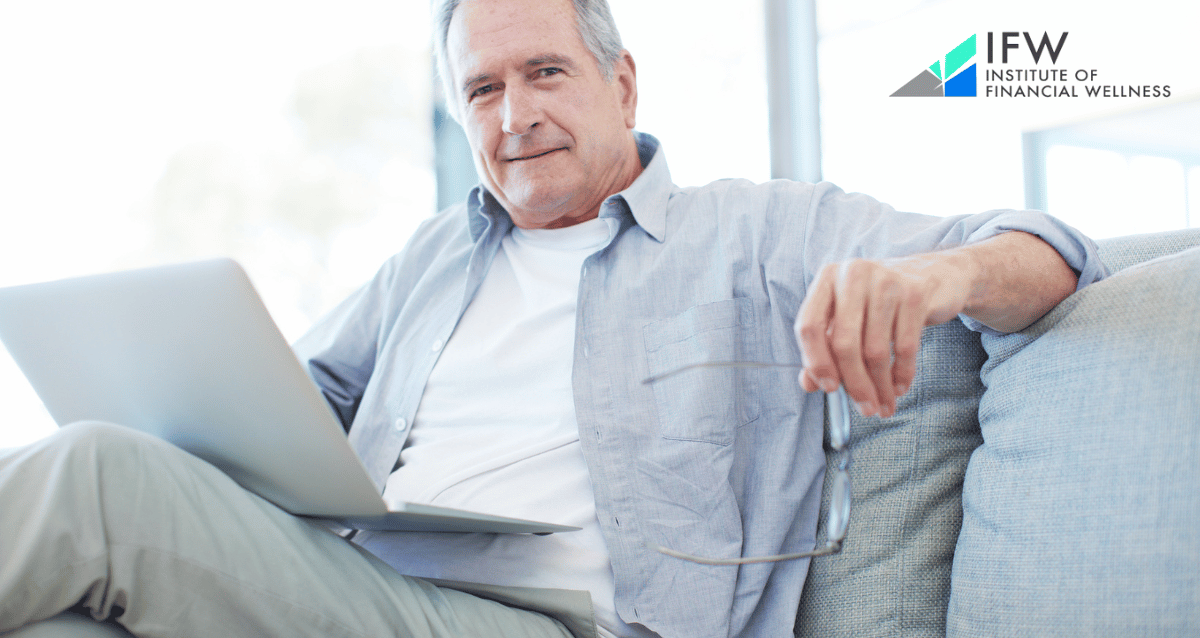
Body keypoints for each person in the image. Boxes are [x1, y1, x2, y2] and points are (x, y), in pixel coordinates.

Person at [0, 0, 1105, 636]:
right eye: (483, 90)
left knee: (93, 478)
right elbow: (273, 409)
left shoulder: (753, 230)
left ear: (623, 85)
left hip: (553, 624)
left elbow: (1046, 252)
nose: (516, 114)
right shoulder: (433, 256)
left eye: (544, 73)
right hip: (364, 586)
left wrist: (927, 282)